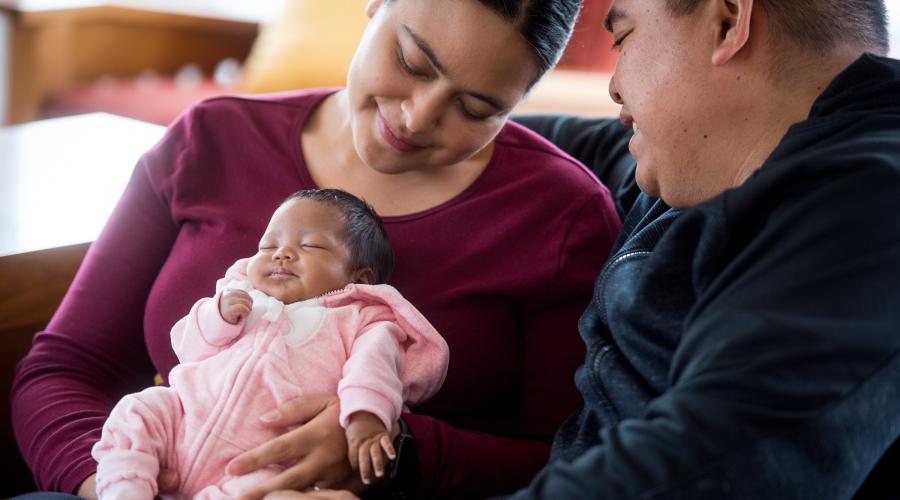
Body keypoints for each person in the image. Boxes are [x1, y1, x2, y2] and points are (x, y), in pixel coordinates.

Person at [11, 0, 622, 498]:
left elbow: (568, 456)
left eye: (475, 107)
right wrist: (115, 483)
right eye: (411, 61)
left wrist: (399, 452)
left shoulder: (560, 216)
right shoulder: (213, 139)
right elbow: (64, 369)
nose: (415, 118)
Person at [506, 0, 900, 497]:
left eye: (623, 37)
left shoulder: (869, 208)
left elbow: (709, 465)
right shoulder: (704, 159)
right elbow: (535, 149)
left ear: (728, 22)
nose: (613, 85)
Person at [91, 189, 449, 499]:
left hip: (266, 453)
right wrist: (217, 315)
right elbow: (187, 350)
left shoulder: (360, 319)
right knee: (140, 408)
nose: (281, 254)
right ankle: (125, 489)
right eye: (269, 245)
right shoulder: (240, 295)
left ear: (359, 278)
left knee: (269, 492)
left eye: (309, 245)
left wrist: (367, 416)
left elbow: (375, 369)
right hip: (184, 420)